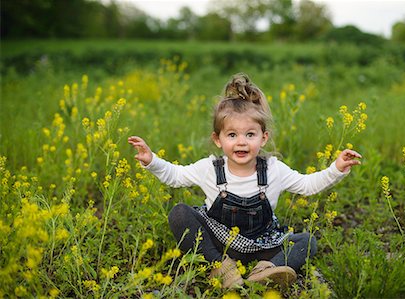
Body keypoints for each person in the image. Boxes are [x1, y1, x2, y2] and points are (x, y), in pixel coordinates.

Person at [128, 73, 362, 289]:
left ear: (263, 137)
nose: (241, 142)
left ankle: (266, 270)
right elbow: (175, 176)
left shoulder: (273, 169)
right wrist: (152, 160)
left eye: (250, 134)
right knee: (179, 213)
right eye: (232, 135)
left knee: (307, 241)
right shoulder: (209, 168)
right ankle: (220, 266)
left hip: (262, 247)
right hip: (220, 244)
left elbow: (308, 185)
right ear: (217, 139)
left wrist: (336, 168)